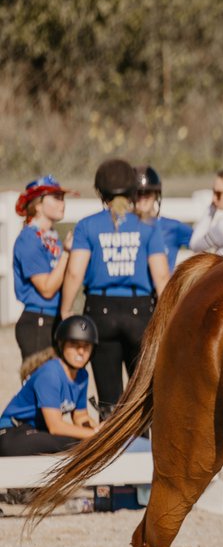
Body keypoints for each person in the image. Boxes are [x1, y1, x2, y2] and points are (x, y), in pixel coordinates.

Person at [60, 159, 170, 415]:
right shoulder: (148, 227)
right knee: (142, 396)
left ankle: (114, 449)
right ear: (132, 190)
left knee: (109, 399)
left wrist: (65, 310)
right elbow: (162, 277)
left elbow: (75, 272)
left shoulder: (87, 226)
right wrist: (166, 315)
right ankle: (141, 447)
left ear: (101, 192)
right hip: (139, 311)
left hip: (100, 310)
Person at [0, 315, 100, 456]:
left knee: (86, 442)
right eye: (74, 345)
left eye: (86, 346)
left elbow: (80, 417)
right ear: (61, 345)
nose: (81, 351)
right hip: (11, 432)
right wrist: (95, 435)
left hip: (36, 432)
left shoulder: (82, 375)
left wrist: (100, 430)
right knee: (73, 443)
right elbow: (55, 426)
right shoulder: (50, 374)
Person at [12, 176, 75, 359]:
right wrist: (66, 253)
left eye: (62, 198)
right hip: (38, 322)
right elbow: (47, 289)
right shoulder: (28, 239)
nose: (62, 203)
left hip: (53, 320)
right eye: (56, 197)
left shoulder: (51, 237)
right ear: (38, 204)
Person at [133, 165, 192, 272]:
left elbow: (202, 244)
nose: (142, 199)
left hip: (164, 287)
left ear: (156, 195)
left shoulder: (173, 227)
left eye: (147, 193)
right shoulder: (122, 227)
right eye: (138, 194)